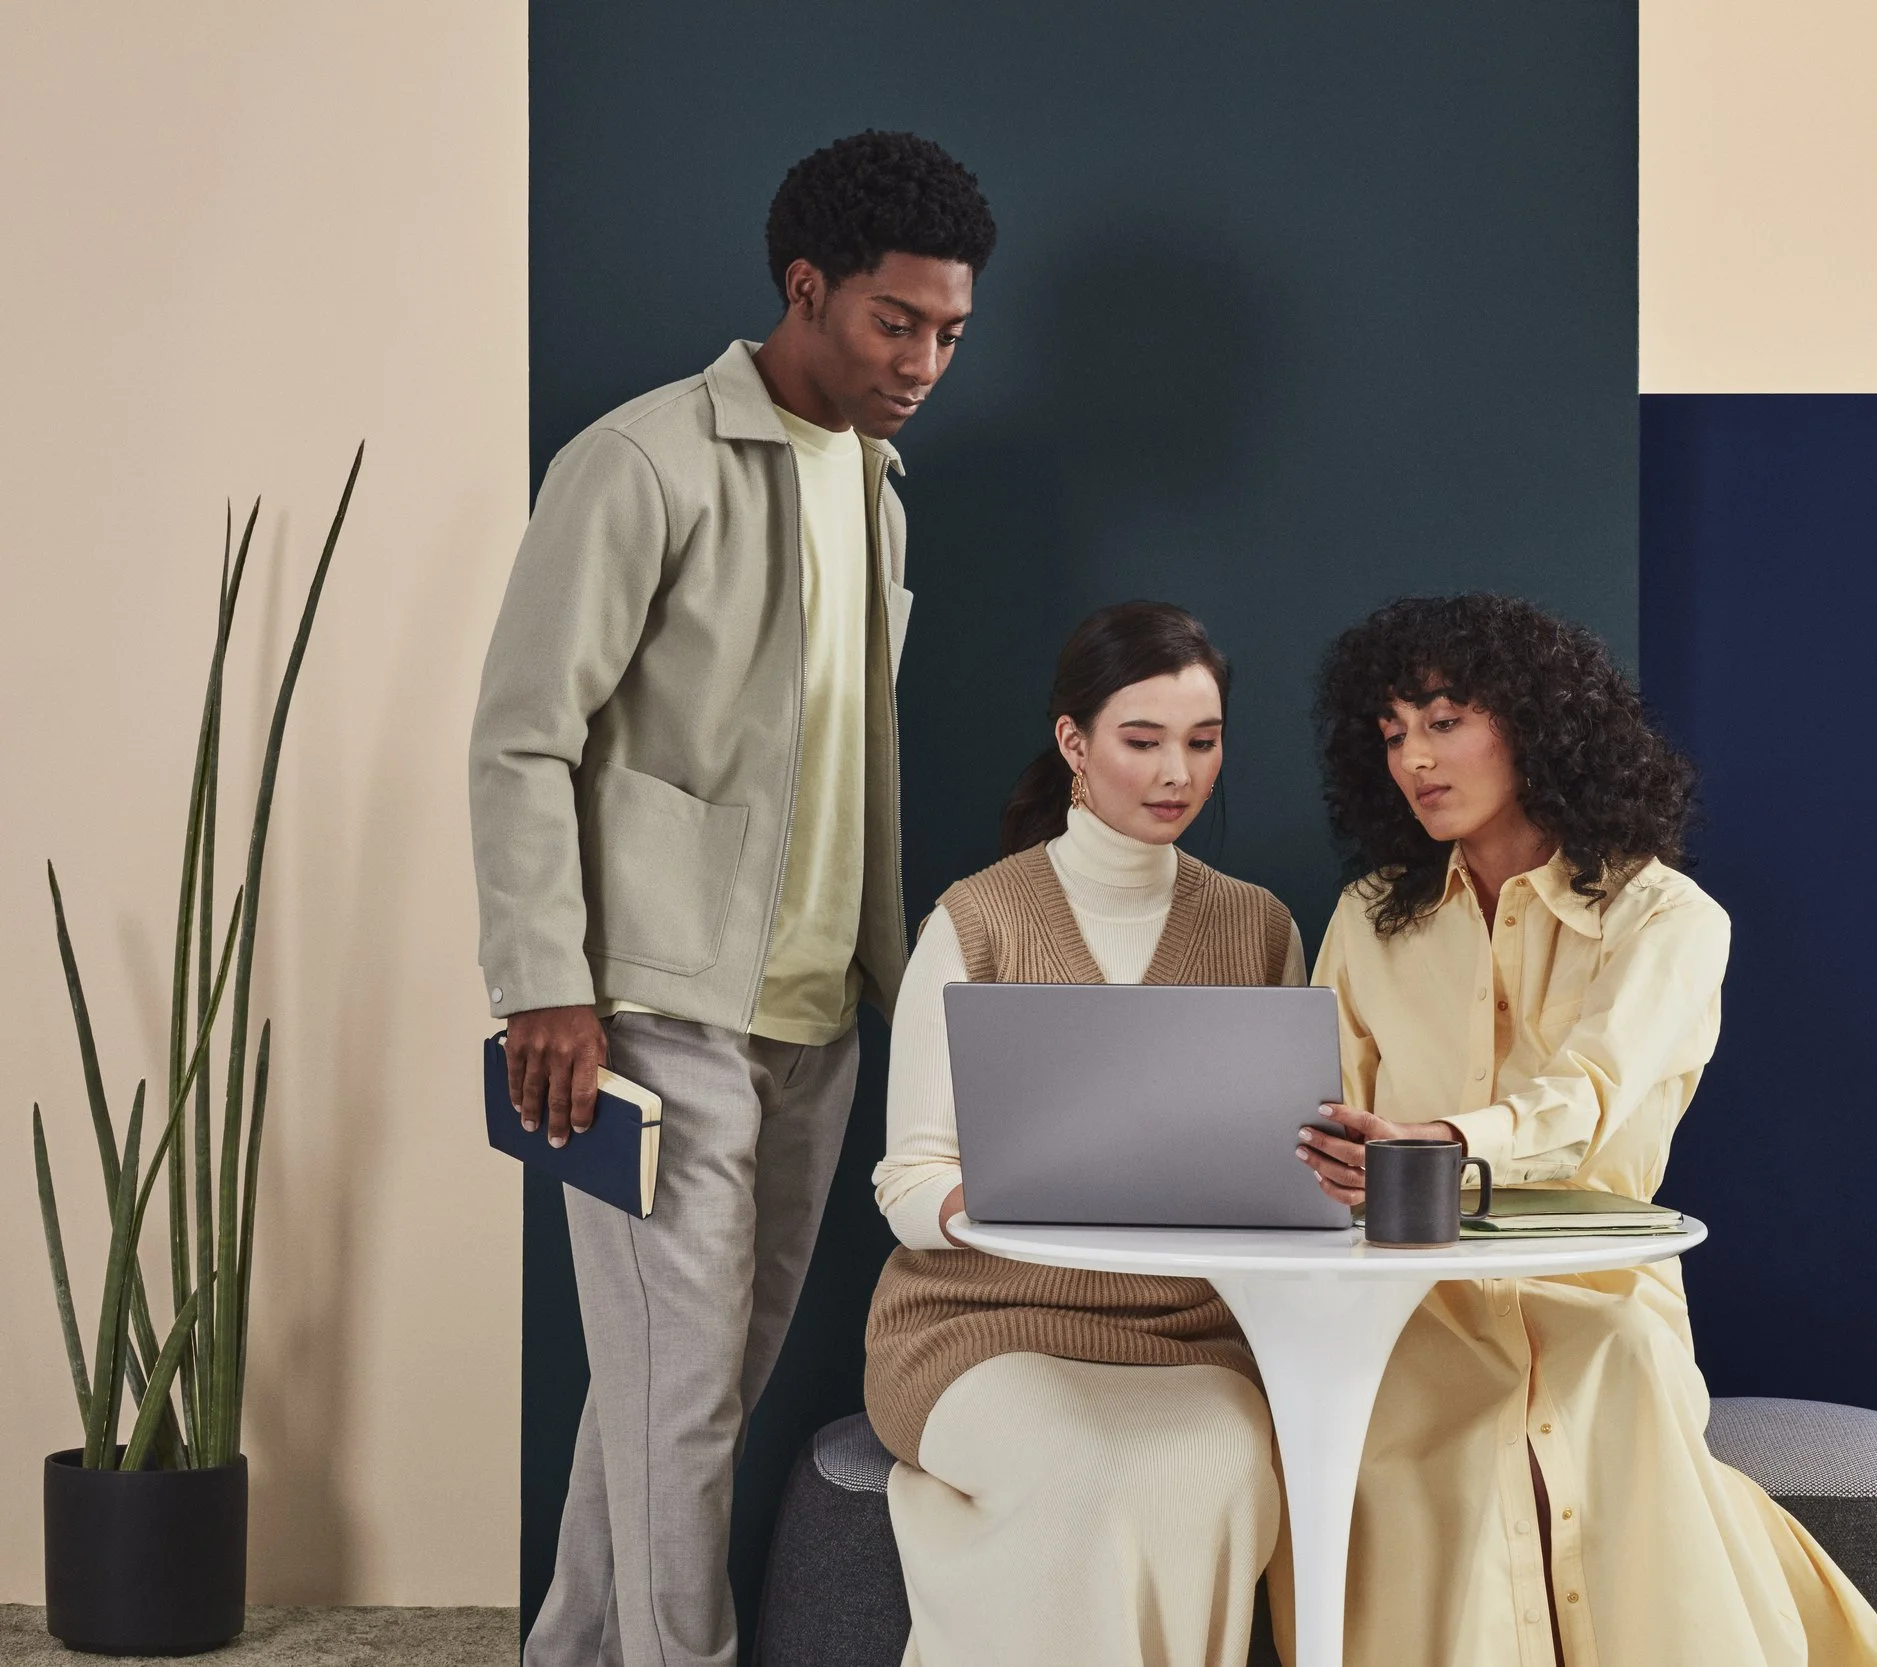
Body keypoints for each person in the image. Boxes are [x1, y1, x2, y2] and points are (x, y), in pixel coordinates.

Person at [468, 132, 995, 1667]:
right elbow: (519, 735)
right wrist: (543, 982)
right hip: (646, 1017)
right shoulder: (641, 461)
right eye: (897, 321)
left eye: (952, 332)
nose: (925, 361)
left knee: (676, 1397)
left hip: (813, 1023)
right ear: (807, 287)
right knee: (681, 1405)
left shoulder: (880, 490)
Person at [1292, 595, 1877, 1667]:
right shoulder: (1366, 917)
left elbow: (1592, 1097)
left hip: (1600, 1294)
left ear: (1532, 720)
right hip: (1405, 1309)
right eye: (1391, 732)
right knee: (1429, 1454)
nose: (1414, 758)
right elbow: (1322, 1120)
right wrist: (1338, 1161)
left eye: (1443, 719)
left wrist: (1444, 1137)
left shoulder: (1667, 919)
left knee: (1604, 1378)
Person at [865, 602, 1298, 1667]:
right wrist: (1003, 1194)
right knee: (1081, 1465)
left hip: (1189, 1339)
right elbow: (909, 1181)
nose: (1175, 773)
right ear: (1074, 742)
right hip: (976, 1328)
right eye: (1140, 740)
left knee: (1219, 1457)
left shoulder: (1261, 927)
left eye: (1201, 742)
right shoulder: (978, 920)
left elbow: (1280, 1169)